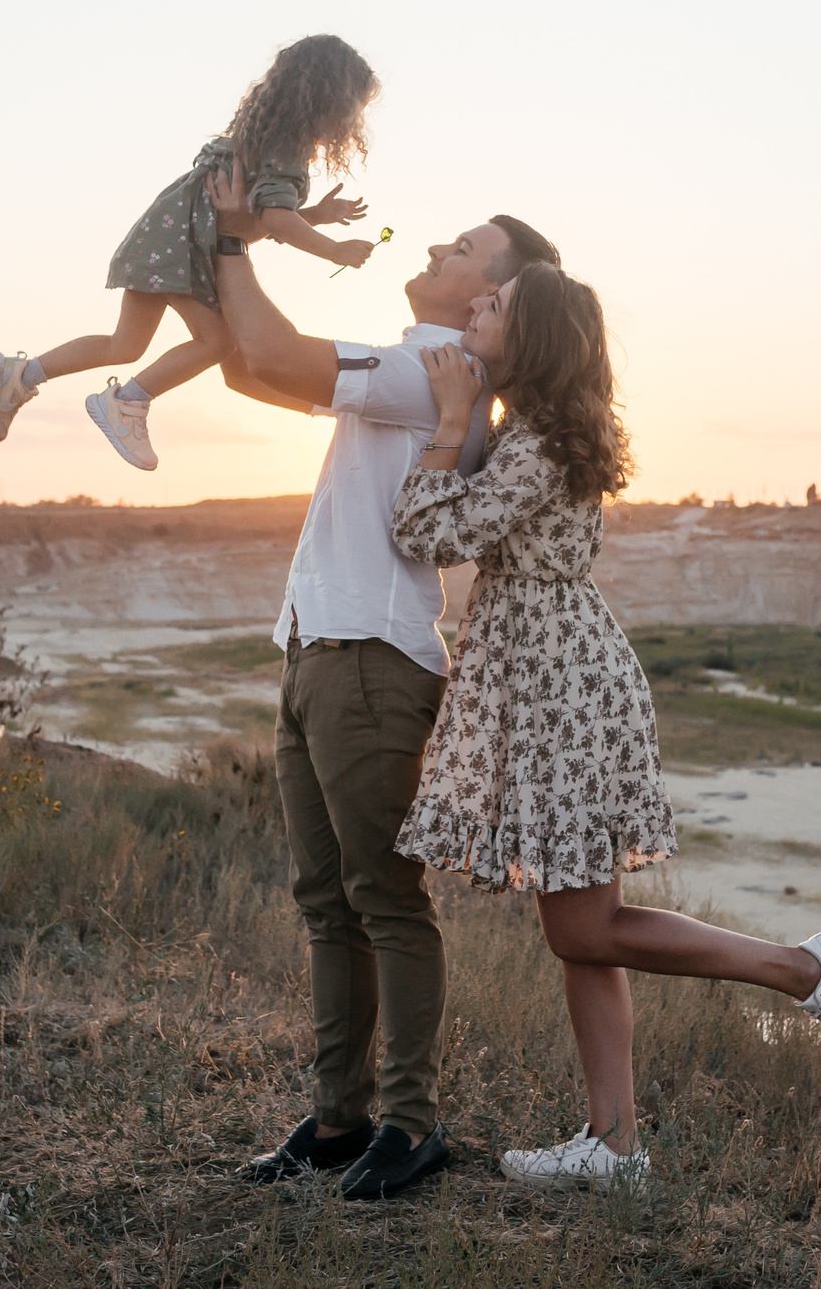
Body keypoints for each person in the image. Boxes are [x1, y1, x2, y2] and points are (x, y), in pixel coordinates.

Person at [390, 264, 821, 1193]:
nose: (475, 308)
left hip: (559, 689)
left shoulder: (533, 443)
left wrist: (450, 423)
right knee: (581, 926)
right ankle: (613, 1147)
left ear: (531, 338)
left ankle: (802, 969)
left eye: (493, 306)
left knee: (585, 920)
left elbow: (427, 535)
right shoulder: (537, 431)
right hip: (553, 682)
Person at [204, 160, 560, 1200]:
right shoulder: (416, 364)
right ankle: (336, 1118)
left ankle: (409, 1124)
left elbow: (266, 350)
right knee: (328, 900)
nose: (438, 252)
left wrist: (233, 240)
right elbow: (248, 370)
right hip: (321, 643)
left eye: (463, 251)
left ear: (491, 298)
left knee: (383, 901)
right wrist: (225, 257)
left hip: (368, 660)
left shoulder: (437, 368)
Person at [0, 34, 383, 471]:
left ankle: (21, 374)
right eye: (352, 111)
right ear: (329, 102)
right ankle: (128, 402)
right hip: (183, 250)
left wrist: (315, 215)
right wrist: (333, 250)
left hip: (161, 239)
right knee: (216, 342)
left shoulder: (262, 135)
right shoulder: (287, 149)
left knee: (124, 343)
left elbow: (261, 213)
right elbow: (273, 218)